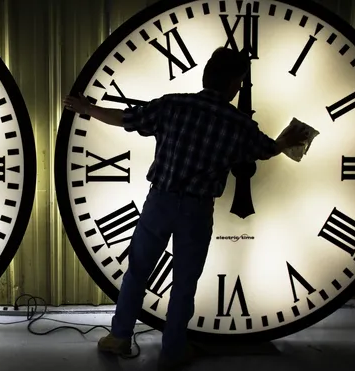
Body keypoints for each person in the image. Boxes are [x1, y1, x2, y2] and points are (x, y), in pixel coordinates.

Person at [63, 47, 310, 370]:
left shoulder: (174, 105)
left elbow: (125, 118)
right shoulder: (237, 123)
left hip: (160, 201)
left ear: (207, 74)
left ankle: (120, 336)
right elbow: (265, 150)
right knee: (184, 283)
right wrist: (285, 140)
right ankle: (174, 349)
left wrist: (86, 108)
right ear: (235, 84)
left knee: (137, 271)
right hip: (197, 211)